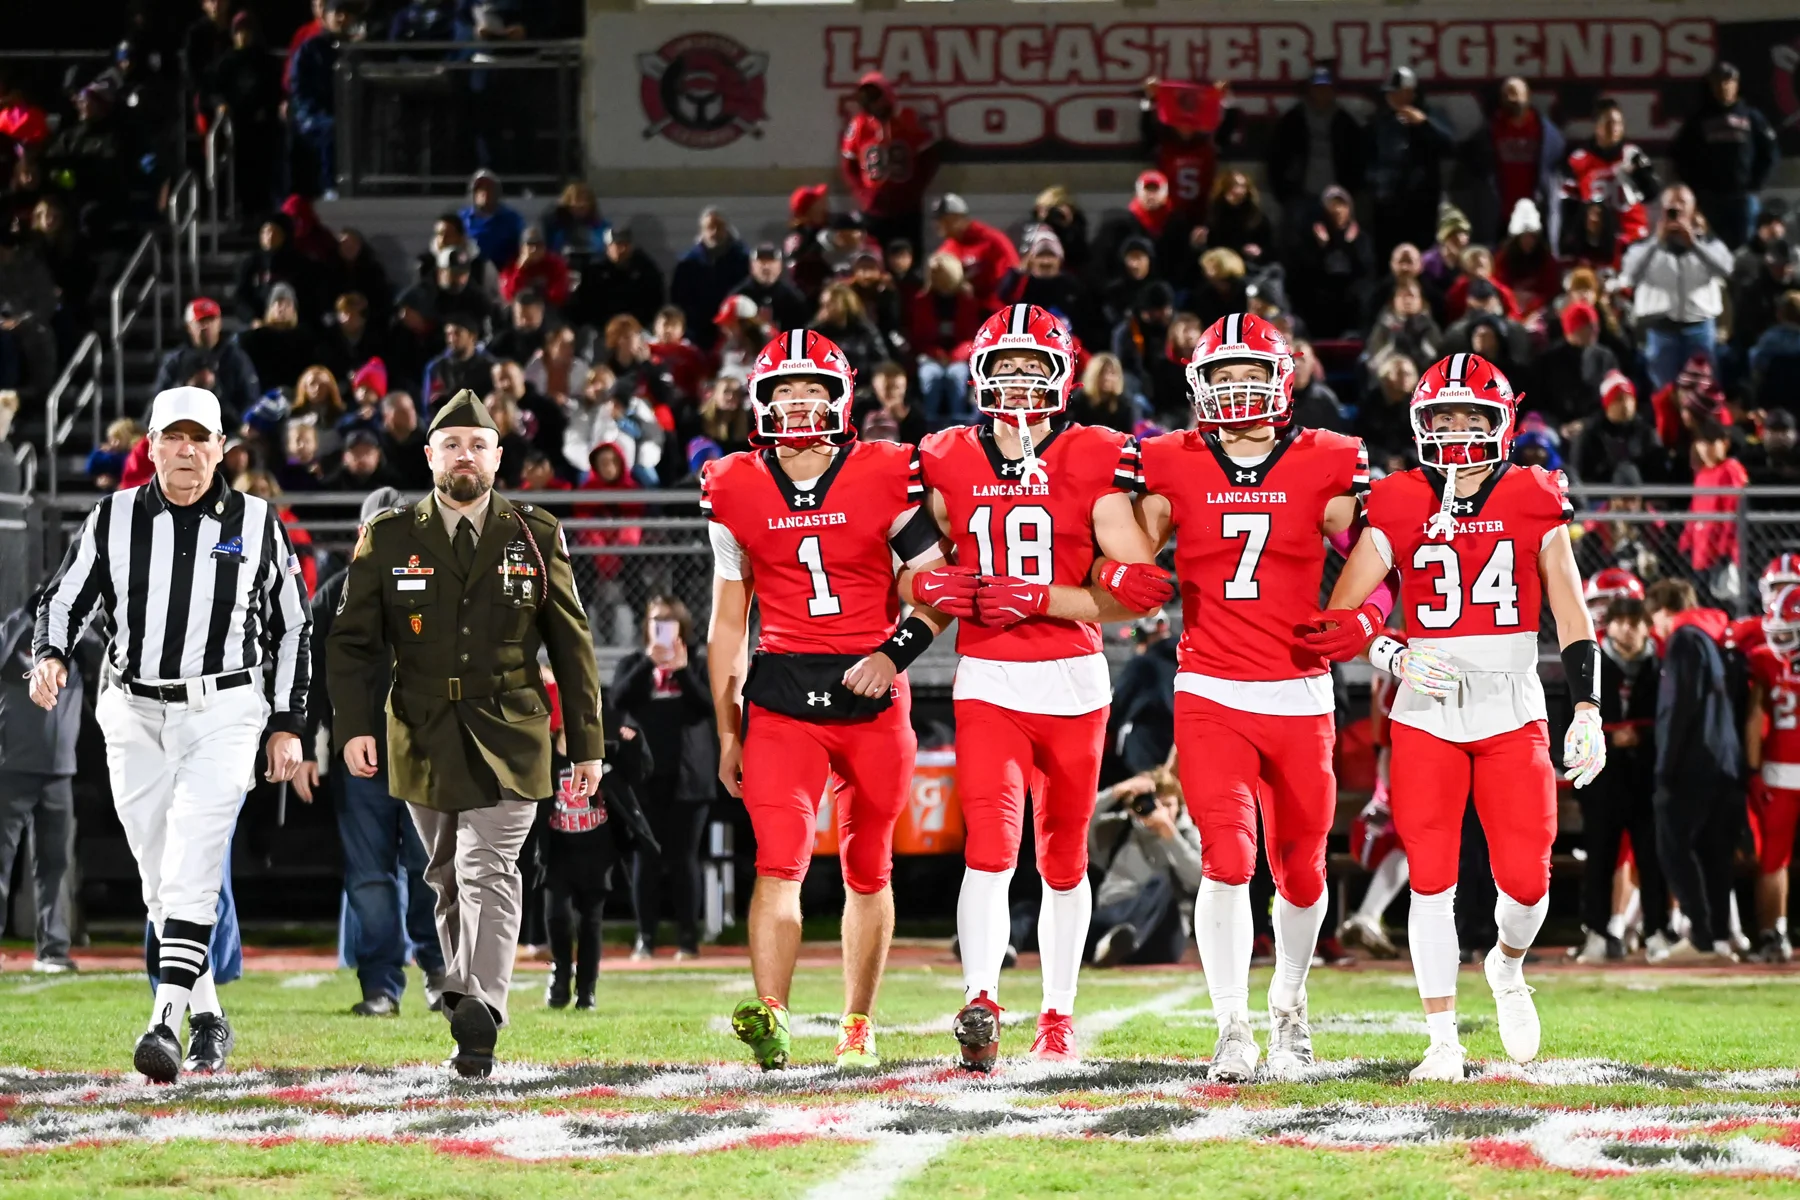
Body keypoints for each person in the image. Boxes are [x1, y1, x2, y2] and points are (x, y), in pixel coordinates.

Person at [1308, 352, 1604, 1082]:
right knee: (1431, 878)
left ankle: (1507, 966)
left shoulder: (1535, 493)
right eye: (1448, 419)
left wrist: (1589, 705)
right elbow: (1341, 615)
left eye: (1476, 419)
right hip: (1426, 710)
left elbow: (1571, 611)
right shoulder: (1399, 498)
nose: (1461, 432)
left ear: (1503, 424)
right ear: (1422, 425)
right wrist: (1395, 656)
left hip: (1512, 706)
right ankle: (1442, 1040)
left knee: (1527, 881)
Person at [912, 304, 1168, 1071]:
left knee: (1062, 857)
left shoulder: (1093, 454)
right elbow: (910, 576)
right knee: (989, 848)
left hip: (1073, 680)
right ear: (980, 375)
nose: (1020, 380)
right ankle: (981, 997)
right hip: (989, 676)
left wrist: (1040, 597)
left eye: (1035, 365)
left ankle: (1057, 1010)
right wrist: (933, 584)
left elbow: (1138, 590)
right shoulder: (946, 455)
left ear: (1064, 374)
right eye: (1007, 366)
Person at [31, 386, 309, 1080]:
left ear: (223, 448)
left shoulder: (256, 520)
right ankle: (208, 1015)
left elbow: (295, 626)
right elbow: (62, 599)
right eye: (173, 438)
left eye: (201, 439)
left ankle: (163, 1021)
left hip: (224, 709)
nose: (187, 451)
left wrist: (286, 721)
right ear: (150, 445)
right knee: (161, 874)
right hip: (131, 709)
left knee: (192, 858)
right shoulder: (113, 518)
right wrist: (51, 653)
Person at [326, 390, 603, 1078]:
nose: (465, 456)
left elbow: (572, 646)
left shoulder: (535, 533)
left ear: (498, 457)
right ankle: (464, 1006)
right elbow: (353, 643)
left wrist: (589, 743)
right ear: (430, 457)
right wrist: (353, 728)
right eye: (451, 444)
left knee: (489, 868)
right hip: (419, 731)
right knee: (445, 876)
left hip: (511, 729)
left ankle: (484, 1010)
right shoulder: (388, 535)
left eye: (478, 444)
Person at [703, 329, 952, 1072]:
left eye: (812, 390)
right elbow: (725, 622)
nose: (799, 403)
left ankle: (856, 1022)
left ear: (841, 399)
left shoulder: (886, 471)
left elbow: (937, 587)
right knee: (778, 861)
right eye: (784, 391)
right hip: (781, 697)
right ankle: (773, 1018)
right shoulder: (733, 482)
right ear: (761, 402)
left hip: (872, 695)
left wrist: (892, 653)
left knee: (868, 866)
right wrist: (726, 730)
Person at [1138, 313, 1374, 1082]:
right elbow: (1122, 547)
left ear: (1283, 381)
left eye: (1252, 375)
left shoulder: (1327, 460)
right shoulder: (1168, 461)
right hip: (1211, 690)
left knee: (1303, 869)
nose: (1238, 391)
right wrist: (1117, 576)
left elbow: (1390, 548)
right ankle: (1231, 1024)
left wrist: (1365, 616)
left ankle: (1290, 1005)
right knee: (1228, 858)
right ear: (1199, 387)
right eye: (1224, 377)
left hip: (1301, 694)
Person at [298, 487, 446, 1016]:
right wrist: (303, 742)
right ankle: (382, 986)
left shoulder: (434, 588)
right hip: (360, 759)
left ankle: (437, 971)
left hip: (426, 752)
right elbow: (309, 678)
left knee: (427, 868)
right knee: (369, 877)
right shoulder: (333, 596)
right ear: (362, 534)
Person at [1642, 579, 1744, 963]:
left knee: (1673, 846)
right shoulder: (1713, 639)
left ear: (1662, 611)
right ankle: (1717, 935)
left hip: (1691, 766)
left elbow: (1679, 709)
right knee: (1711, 851)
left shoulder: (1684, 640)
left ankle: (1700, 934)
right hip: (1723, 763)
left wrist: (1665, 767)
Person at [610, 597, 716, 960]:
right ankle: (646, 937)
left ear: (682, 626)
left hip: (689, 777)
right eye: (656, 621)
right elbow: (618, 700)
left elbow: (708, 708)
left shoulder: (699, 665)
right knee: (646, 857)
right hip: (644, 777)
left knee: (685, 858)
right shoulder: (632, 663)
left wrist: (683, 671)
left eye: (669, 621)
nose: (662, 627)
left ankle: (688, 939)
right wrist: (648, 664)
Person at [1570, 597, 1665, 964]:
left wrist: (1642, 738)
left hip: (1645, 779)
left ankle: (1655, 932)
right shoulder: (1590, 662)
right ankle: (1595, 933)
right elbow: (1571, 717)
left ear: (1646, 624)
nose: (1626, 628)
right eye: (1619, 621)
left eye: (1634, 621)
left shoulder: (1660, 664)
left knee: (1651, 859)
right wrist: (1609, 739)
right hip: (1603, 780)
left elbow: (1671, 721)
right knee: (1599, 860)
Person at [0, 592, 80, 973]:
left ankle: (53, 950)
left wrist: (68, 625)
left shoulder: (76, 639)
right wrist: (26, 615)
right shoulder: (14, 631)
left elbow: (107, 660)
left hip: (58, 772)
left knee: (55, 864)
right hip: (10, 769)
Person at [1621, 185, 1734, 391]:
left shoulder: (1708, 242)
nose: (1676, 207)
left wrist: (1694, 245)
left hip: (1700, 328)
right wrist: (1656, 241)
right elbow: (1629, 276)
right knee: (1665, 394)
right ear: (1662, 209)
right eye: (1671, 203)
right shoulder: (1644, 244)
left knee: (1702, 392)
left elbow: (1726, 269)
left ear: (1693, 209)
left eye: (1682, 203)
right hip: (1662, 331)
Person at [1086, 769, 1203, 967]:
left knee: (1163, 881)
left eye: (1167, 805)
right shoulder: (1119, 828)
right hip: (1113, 915)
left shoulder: (1187, 835)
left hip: (1161, 935)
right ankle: (1113, 943)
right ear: (1133, 807)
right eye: (1152, 804)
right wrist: (1117, 791)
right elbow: (1079, 821)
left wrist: (1169, 834)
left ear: (1180, 807)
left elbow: (1201, 881)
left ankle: (1122, 940)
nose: (1159, 811)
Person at [1672, 63, 1779, 251]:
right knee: (1709, 249)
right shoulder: (1698, 120)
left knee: (1744, 250)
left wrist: (1755, 185)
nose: (1723, 87)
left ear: (1736, 84)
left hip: (1743, 198)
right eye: (1718, 82)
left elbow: (1770, 153)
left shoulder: (1752, 117)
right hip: (1709, 200)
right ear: (1711, 86)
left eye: (1728, 82)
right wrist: (1696, 190)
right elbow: (1680, 156)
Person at [1747, 586, 1800, 962]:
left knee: (1774, 859)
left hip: (1779, 771)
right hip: (1780, 771)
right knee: (1773, 859)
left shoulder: (1763, 660)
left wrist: (1751, 767)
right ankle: (1772, 934)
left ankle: (1772, 935)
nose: (1781, 640)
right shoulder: (1763, 659)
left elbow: (1753, 719)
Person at [839, 71, 939, 256]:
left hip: (907, 209)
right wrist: (863, 194)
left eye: (875, 96)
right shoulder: (859, 124)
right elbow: (848, 163)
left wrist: (914, 190)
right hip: (875, 209)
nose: (872, 102)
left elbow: (929, 156)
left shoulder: (908, 118)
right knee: (874, 260)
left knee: (909, 261)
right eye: (866, 98)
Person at [1558, 98, 1660, 268]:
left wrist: (1639, 174)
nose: (1614, 128)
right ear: (1596, 126)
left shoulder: (1632, 154)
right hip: (1597, 244)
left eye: (1618, 123)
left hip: (1632, 238)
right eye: (1608, 123)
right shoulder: (1579, 160)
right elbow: (1569, 208)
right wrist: (1572, 241)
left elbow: (1653, 194)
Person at [1364, 66, 1454, 258]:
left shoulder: (1430, 116)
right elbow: (1368, 158)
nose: (1393, 98)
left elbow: (1450, 147)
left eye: (1398, 93)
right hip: (1388, 205)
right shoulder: (1380, 121)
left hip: (1422, 206)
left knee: (1423, 256)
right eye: (1390, 94)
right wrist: (1376, 183)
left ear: (1411, 93)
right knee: (1388, 257)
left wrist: (1424, 124)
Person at [1265, 65, 1364, 235]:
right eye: (1317, 88)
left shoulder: (1345, 122)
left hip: (1336, 199)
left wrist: (1350, 191)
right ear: (1309, 90)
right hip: (1301, 196)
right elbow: (1276, 158)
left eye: (1326, 88)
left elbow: (1357, 159)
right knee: (1298, 242)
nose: (1322, 93)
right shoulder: (1293, 120)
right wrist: (1285, 193)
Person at [155, 298, 261, 425]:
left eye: (211, 320)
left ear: (219, 323)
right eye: (200, 321)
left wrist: (215, 391)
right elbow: (159, 404)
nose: (206, 326)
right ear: (189, 326)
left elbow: (250, 402)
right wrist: (187, 387)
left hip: (226, 431)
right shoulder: (176, 360)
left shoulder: (236, 358)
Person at [908, 252, 983, 430]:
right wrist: (935, 353)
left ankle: (959, 426)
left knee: (956, 376)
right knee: (930, 376)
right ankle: (929, 424)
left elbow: (972, 336)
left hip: (959, 355)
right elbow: (918, 336)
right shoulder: (921, 300)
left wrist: (957, 354)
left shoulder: (967, 300)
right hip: (931, 355)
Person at [670, 208, 749, 353]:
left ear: (727, 229)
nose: (714, 233)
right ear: (702, 231)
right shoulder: (687, 264)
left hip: (735, 335)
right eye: (710, 228)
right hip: (698, 336)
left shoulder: (743, 261)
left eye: (719, 227)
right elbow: (679, 301)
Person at [931, 194, 1018, 309]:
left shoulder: (993, 240)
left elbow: (1012, 275)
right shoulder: (948, 247)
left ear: (960, 218)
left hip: (994, 312)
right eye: (938, 220)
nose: (940, 225)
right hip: (963, 315)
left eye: (945, 220)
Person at [572, 226, 664, 334]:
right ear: (608, 247)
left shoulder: (644, 268)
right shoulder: (594, 270)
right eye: (617, 245)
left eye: (625, 244)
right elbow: (584, 302)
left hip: (637, 329)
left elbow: (656, 298)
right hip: (602, 330)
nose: (622, 249)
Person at [422, 313, 496, 412]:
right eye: (448, 334)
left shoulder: (489, 367)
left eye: (457, 333)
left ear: (472, 336)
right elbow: (428, 405)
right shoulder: (436, 367)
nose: (451, 339)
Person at [732, 243, 809, 336]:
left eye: (771, 262)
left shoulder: (793, 298)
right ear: (752, 266)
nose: (766, 267)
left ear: (780, 266)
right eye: (761, 262)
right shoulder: (739, 297)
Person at [459, 169, 525, 271]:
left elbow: (523, 249)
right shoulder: (461, 218)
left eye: (489, 188)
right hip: (469, 274)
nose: (484, 192)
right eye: (480, 188)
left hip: (504, 274)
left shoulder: (512, 219)